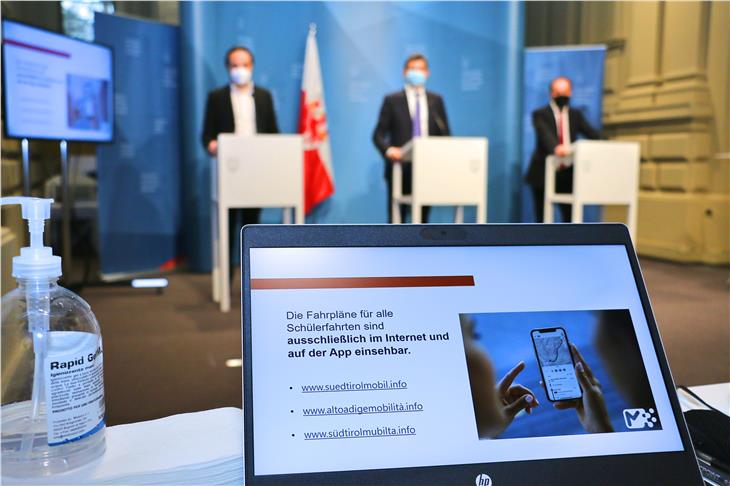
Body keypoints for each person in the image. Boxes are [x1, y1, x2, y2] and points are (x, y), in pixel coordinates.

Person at [201, 46, 278, 278]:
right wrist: (211, 144)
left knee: (252, 226)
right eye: (235, 65)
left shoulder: (264, 96)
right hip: (229, 171)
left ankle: (252, 279)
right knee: (227, 226)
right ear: (227, 67)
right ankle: (227, 279)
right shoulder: (217, 97)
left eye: (244, 65)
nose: (240, 70)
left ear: (252, 66)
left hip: (256, 170)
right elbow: (206, 134)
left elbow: (273, 132)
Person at [372, 53, 450, 223]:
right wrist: (389, 150)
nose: (417, 72)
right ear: (405, 72)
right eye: (413, 69)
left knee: (422, 221)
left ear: (427, 73)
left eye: (420, 69)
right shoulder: (392, 100)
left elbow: (445, 134)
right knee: (397, 220)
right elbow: (378, 135)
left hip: (428, 168)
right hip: (400, 167)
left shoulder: (436, 101)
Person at [525, 76, 600, 223]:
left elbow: (592, 134)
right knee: (542, 217)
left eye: (565, 92)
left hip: (567, 173)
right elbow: (545, 135)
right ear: (552, 93)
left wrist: (606, 144)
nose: (562, 96)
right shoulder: (540, 114)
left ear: (570, 92)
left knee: (569, 216)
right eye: (559, 93)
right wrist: (556, 148)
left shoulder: (576, 115)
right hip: (543, 172)